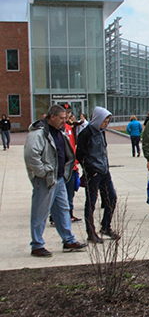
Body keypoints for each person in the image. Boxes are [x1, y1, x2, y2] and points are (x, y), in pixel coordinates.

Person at [24, 105, 87, 257]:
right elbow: (31, 155)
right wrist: (44, 172)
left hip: (59, 179)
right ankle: (37, 245)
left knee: (63, 210)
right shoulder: (39, 133)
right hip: (45, 180)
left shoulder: (60, 131)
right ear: (52, 117)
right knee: (40, 212)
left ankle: (68, 240)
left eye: (66, 118)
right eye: (61, 118)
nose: (64, 121)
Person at [76, 106, 119, 243]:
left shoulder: (102, 132)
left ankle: (106, 226)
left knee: (111, 198)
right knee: (91, 203)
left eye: (108, 121)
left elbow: (103, 151)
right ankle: (91, 232)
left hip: (104, 171)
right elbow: (80, 155)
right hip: (93, 173)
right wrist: (90, 170)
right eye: (104, 121)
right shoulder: (86, 133)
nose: (106, 124)